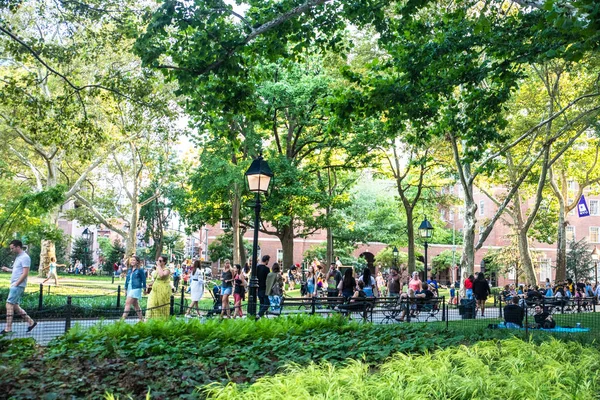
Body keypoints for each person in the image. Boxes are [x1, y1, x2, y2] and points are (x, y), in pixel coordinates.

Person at [1, 240, 37, 335]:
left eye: (12, 248)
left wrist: (16, 284)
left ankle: (8, 329)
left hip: (17, 285)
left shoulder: (25, 257)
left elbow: (25, 273)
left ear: (18, 247)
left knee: (9, 304)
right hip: (15, 285)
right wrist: (8, 269)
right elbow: (17, 270)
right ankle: (31, 322)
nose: (11, 250)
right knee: (15, 306)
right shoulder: (19, 257)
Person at [121, 255, 146, 322]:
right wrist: (125, 288)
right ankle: (141, 320)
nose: (132, 261)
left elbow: (144, 279)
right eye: (131, 260)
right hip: (130, 287)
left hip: (136, 288)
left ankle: (122, 320)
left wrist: (144, 288)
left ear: (137, 262)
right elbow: (127, 280)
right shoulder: (129, 270)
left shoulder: (140, 270)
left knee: (127, 303)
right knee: (135, 305)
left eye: (134, 260)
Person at [146, 256, 171, 320]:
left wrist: (159, 266)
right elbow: (155, 279)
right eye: (158, 260)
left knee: (160, 305)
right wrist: (148, 284)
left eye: (160, 261)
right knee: (151, 304)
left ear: (164, 262)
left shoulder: (167, 270)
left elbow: (162, 275)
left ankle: (160, 320)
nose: (158, 262)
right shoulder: (157, 269)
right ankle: (150, 319)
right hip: (154, 290)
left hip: (163, 290)